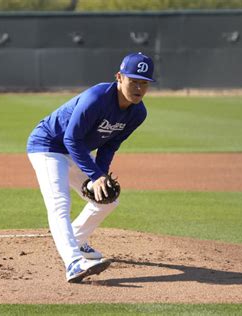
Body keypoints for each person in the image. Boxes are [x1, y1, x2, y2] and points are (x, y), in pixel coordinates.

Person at [27, 52, 155, 283]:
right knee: (59, 202)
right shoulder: (96, 98)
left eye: (144, 83)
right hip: (48, 145)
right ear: (119, 77)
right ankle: (74, 262)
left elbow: (110, 144)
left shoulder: (138, 113)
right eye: (133, 80)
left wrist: (101, 176)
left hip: (76, 150)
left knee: (107, 199)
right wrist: (93, 175)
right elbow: (71, 139)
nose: (138, 87)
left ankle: (76, 239)